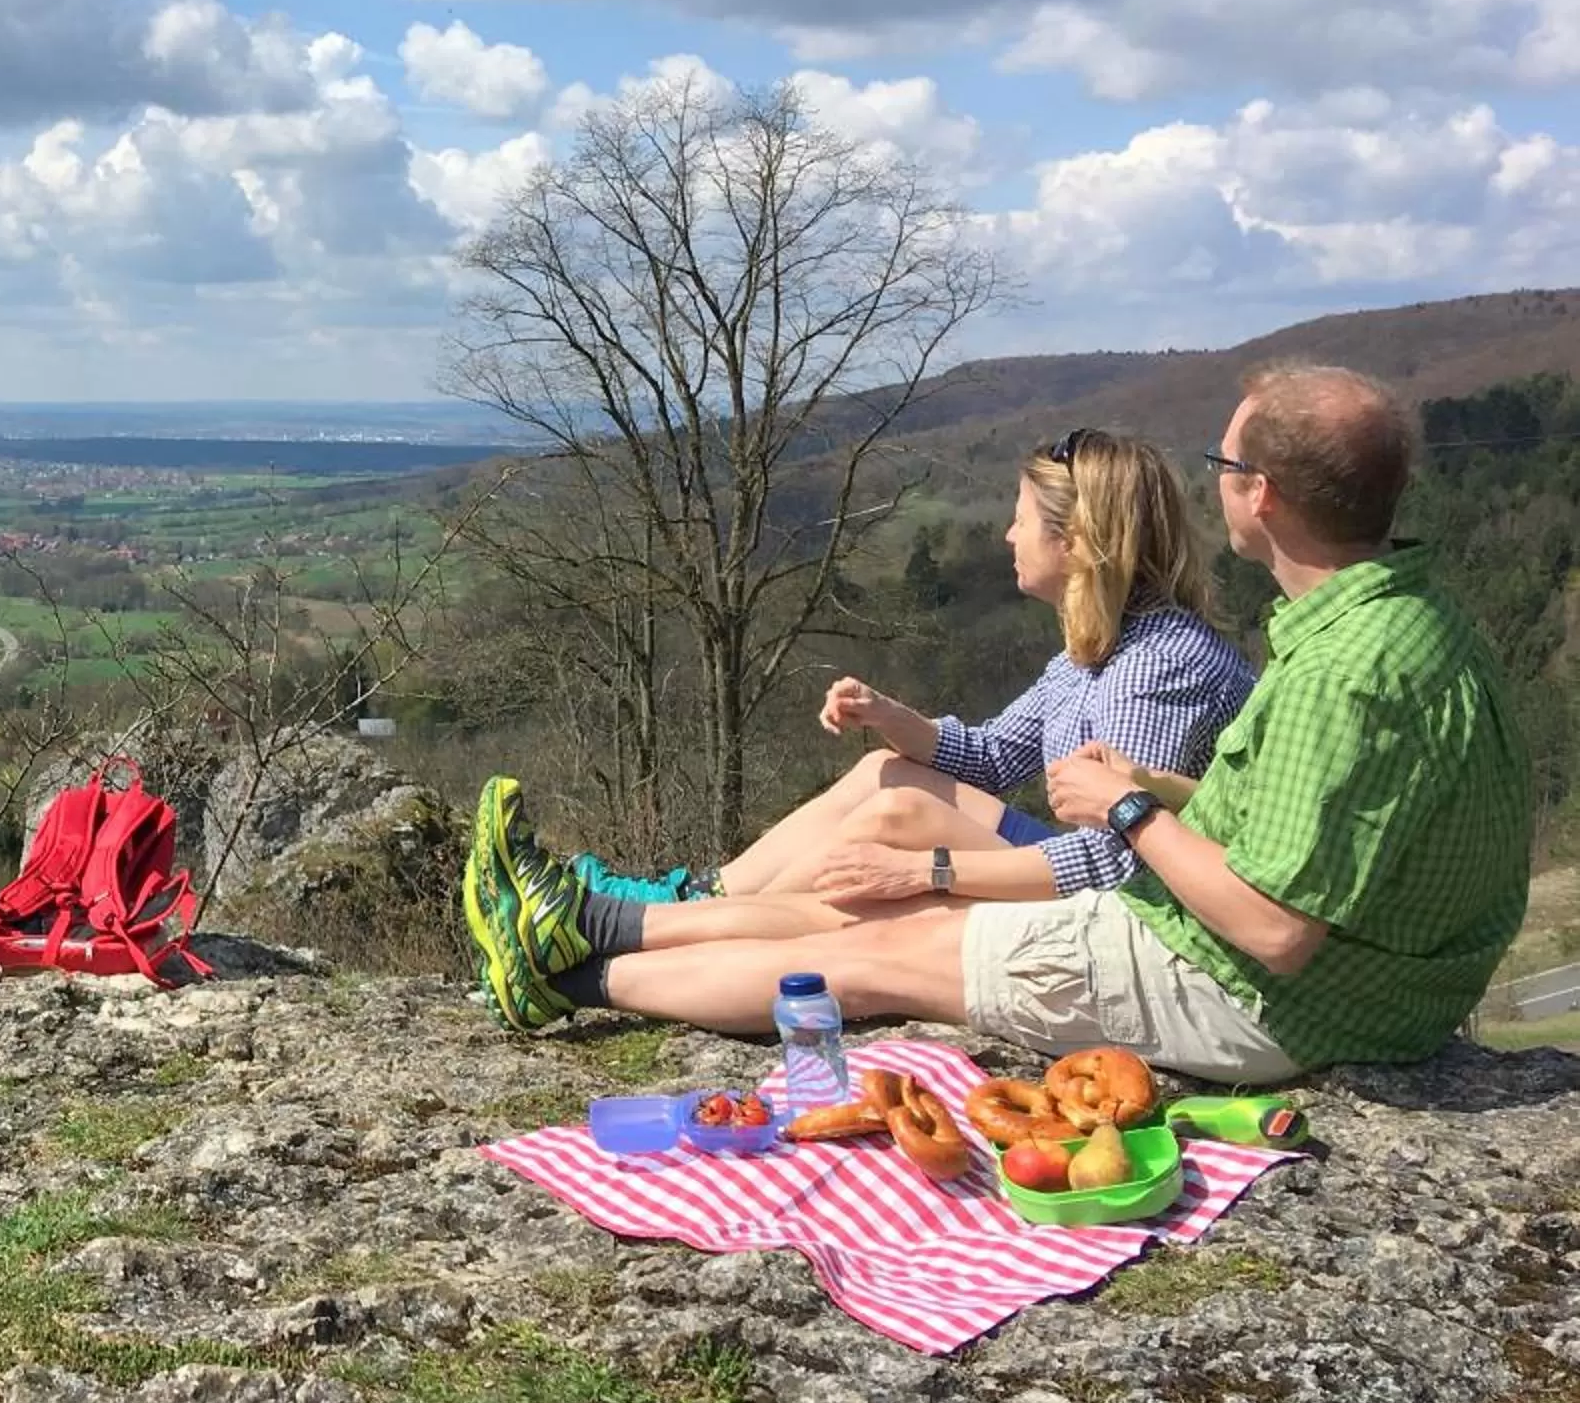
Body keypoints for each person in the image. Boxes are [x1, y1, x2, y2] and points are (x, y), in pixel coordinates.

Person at [470, 364, 1529, 1083]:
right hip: (1328, 975)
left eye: (1226, 468)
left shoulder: (1332, 669)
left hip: (1276, 995)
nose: (1217, 488)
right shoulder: (1395, 626)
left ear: (1263, 493)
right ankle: (595, 928)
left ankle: (571, 967)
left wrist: (1123, 806)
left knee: (872, 949)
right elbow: (1285, 833)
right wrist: (1145, 797)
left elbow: (1276, 928)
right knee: (885, 876)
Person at [475, 429, 1256, 969]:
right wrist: (891, 717)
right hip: (1088, 869)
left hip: (1130, 906)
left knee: (893, 826)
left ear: (1077, 542)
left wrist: (933, 872)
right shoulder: (1103, 647)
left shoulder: (1159, 668)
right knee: (887, 773)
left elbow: (1115, 859)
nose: (1006, 537)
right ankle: (680, 902)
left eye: (1019, 521)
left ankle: (635, 928)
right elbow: (990, 757)